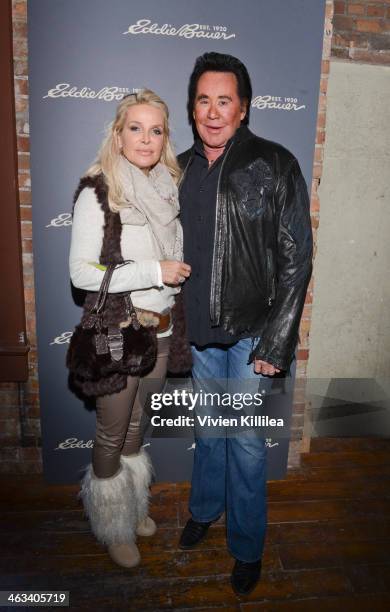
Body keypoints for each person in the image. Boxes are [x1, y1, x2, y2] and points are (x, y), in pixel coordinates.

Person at [178, 52, 313, 595]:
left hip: (253, 334)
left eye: (224, 100)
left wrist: (276, 343)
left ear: (244, 108)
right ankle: (204, 510)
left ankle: (248, 546)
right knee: (208, 433)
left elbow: (296, 258)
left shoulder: (275, 164)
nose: (213, 112)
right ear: (193, 109)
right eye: (204, 100)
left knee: (247, 442)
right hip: (199, 333)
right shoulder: (177, 166)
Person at [69, 89, 191, 569]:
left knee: (140, 428)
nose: (146, 139)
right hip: (118, 332)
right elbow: (81, 275)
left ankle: (132, 505)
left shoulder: (166, 190)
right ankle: (112, 524)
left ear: (165, 138)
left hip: (161, 331)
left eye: (156, 130)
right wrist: (154, 271)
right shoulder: (98, 190)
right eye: (135, 128)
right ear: (118, 136)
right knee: (112, 433)